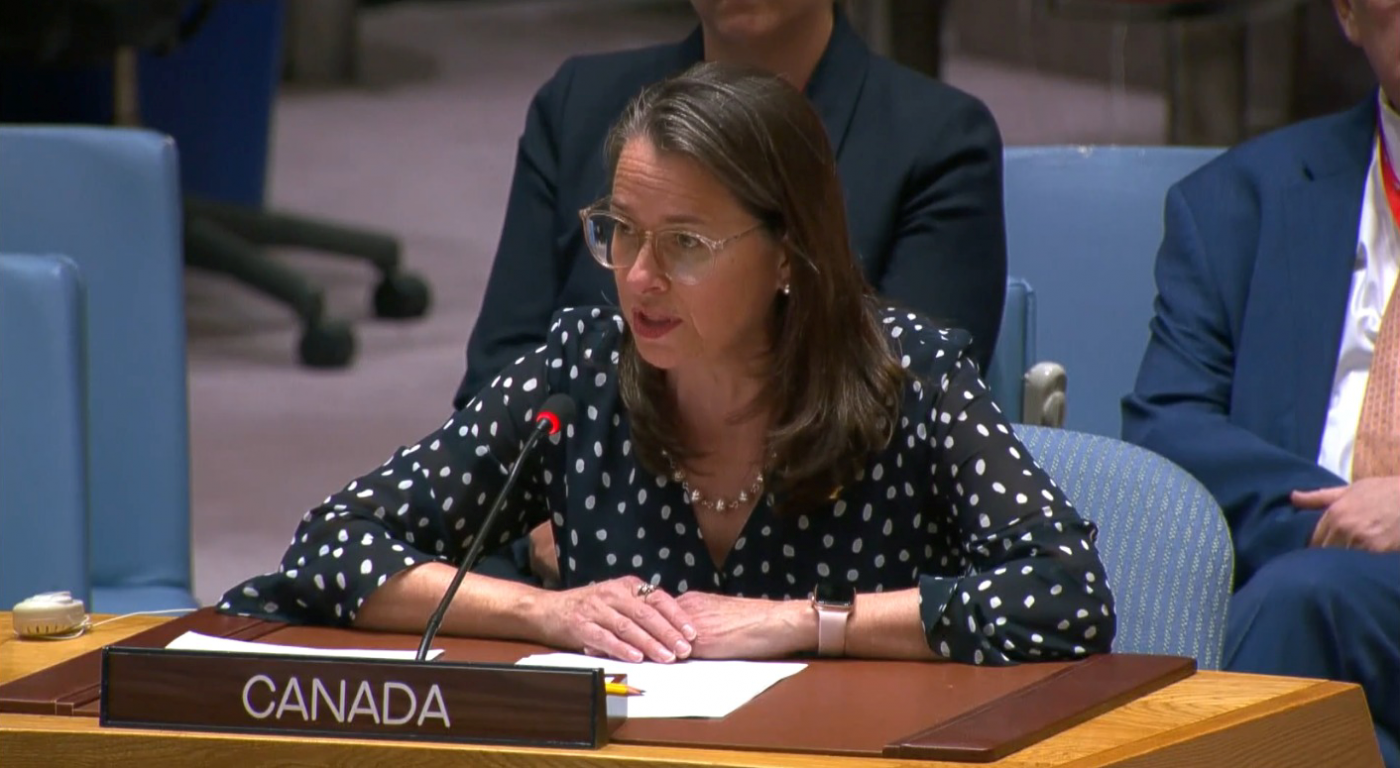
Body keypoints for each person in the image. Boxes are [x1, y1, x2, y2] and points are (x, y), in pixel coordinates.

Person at [221, 64, 1111, 666]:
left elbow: (1065, 594)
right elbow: (331, 547)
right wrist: (547, 611)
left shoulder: (907, 375)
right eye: (621, 233)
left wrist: (806, 624)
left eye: (684, 243)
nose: (639, 280)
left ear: (790, 255)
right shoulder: (581, 370)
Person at [455, 0, 1007, 410]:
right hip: (557, 545)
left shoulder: (939, 141)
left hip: (814, 539)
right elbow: (495, 382)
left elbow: (907, 414)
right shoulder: (577, 104)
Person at [1122, 1, 1399, 763]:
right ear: (1347, 13)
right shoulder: (1239, 202)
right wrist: (1331, 519)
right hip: (1299, 578)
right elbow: (1168, 427)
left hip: (1303, 604)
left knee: (1300, 603)